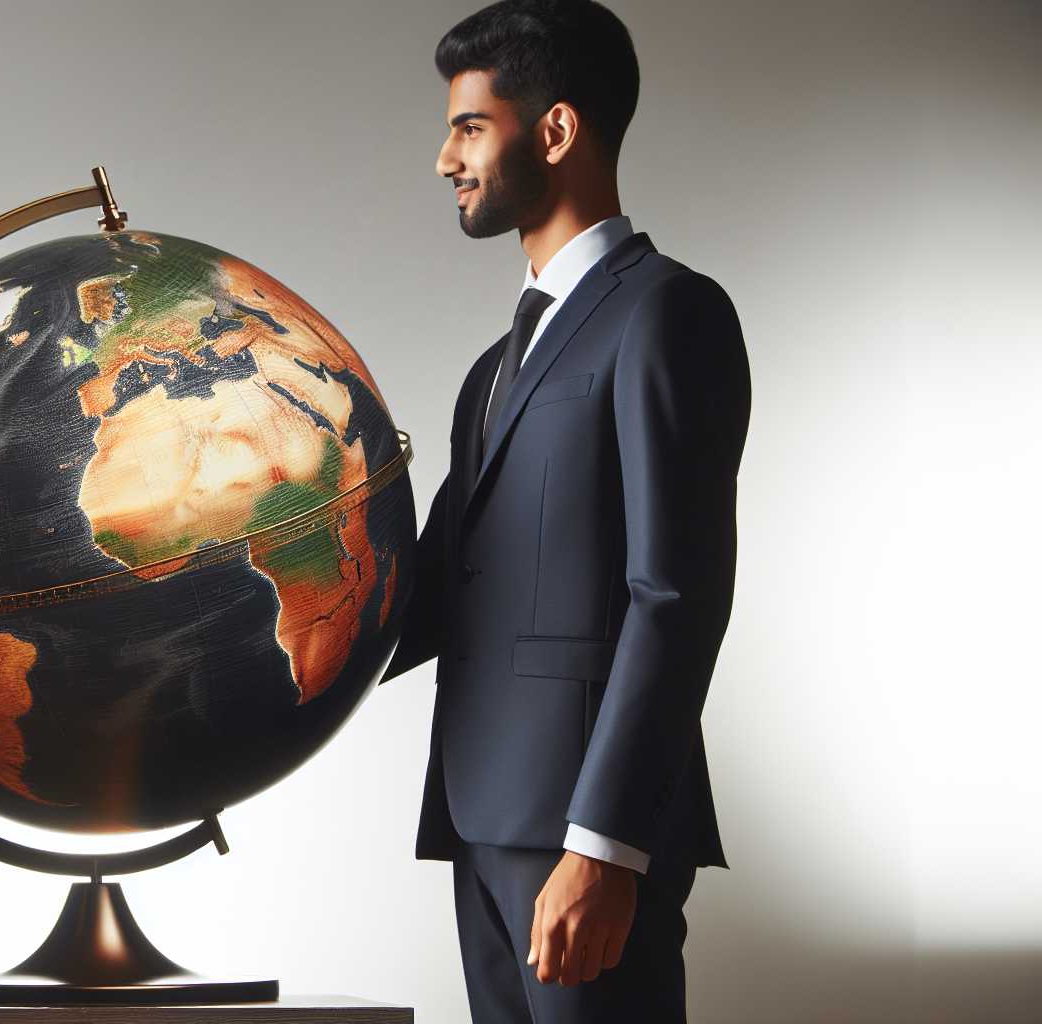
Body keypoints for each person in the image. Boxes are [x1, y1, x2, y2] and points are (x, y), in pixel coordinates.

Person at [377, 2, 751, 1021]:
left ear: (554, 130)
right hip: (478, 812)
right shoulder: (489, 373)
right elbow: (430, 591)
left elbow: (673, 594)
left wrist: (604, 847)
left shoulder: (667, 312)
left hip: (586, 833)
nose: (444, 157)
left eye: (468, 126)